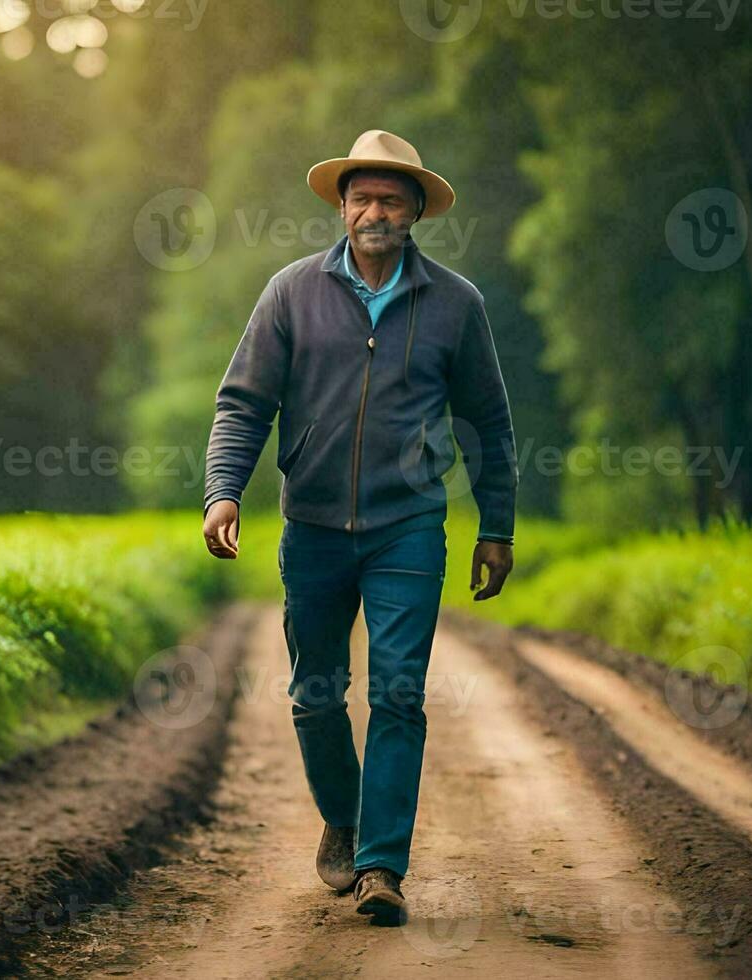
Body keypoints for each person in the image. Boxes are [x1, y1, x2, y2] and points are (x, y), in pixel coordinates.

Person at [201, 129, 518, 926]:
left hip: (408, 526)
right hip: (310, 526)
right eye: (362, 197)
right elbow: (244, 403)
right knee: (315, 694)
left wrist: (497, 526)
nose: (375, 210)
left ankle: (382, 866)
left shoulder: (456, 304)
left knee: (401, 692)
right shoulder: (289, 293)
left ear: (415, 211)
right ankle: (343, 822)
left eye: (391, 198)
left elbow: (487, 421)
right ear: (341, 208)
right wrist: (224, 492)